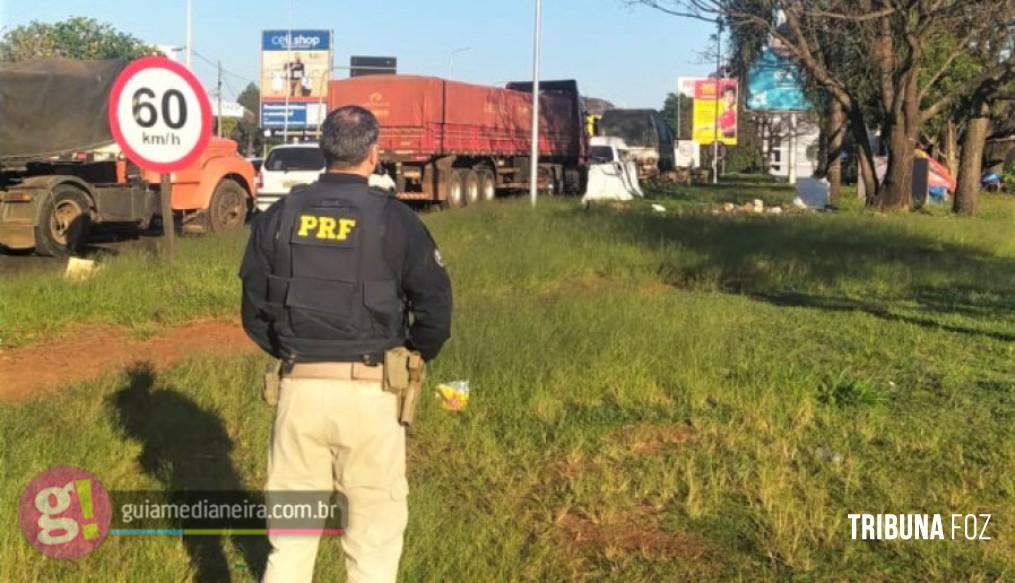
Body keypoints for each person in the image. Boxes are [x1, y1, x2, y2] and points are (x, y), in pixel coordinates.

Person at [240, 105, 453, 583]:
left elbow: (254, 309)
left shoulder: (278, 216)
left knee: (289, 548)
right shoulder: (398, 221)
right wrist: (414, 353)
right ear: (375, 155)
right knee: (371, 549)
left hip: (298, 394)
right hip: (373, 397)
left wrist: (292, 350)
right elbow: (436, 310)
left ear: (323, 151)